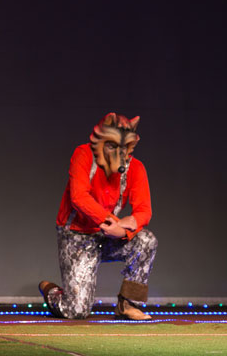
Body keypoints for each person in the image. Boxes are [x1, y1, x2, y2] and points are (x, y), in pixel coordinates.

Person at [38, 112, 157, 320]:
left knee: (146, 241)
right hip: (77, 237)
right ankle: (51, 291)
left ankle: (127, 304)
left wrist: (127, 226)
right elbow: (79, 197)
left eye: (124, 148)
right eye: (112, 146)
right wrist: (112, 221)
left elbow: (144, 210)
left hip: (109, 236)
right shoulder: (83, 155)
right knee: (76, 311)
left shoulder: (136, 168)